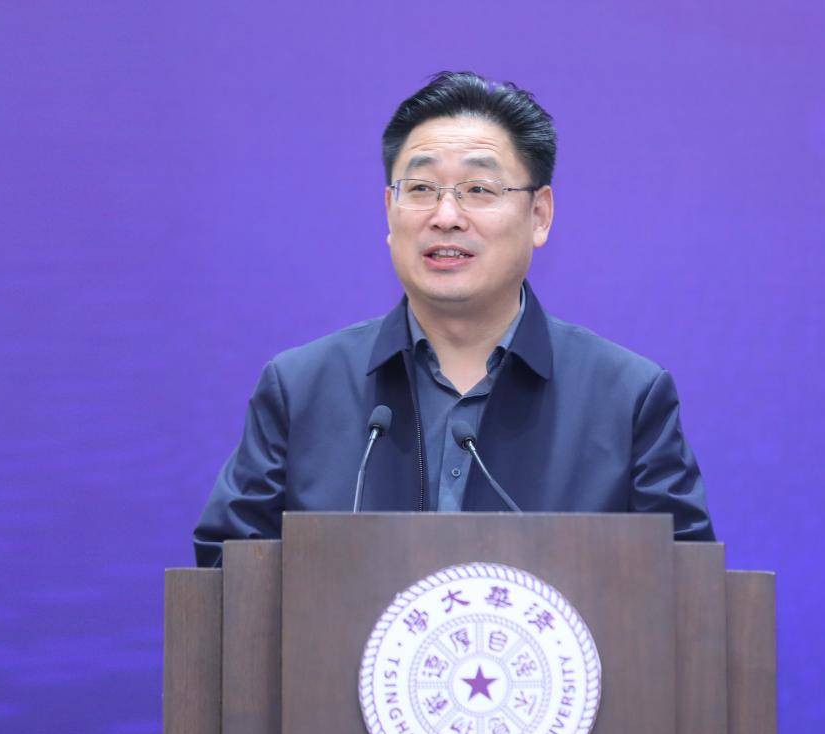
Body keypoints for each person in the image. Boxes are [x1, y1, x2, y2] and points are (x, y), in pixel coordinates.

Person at [193, 71, 714, 567]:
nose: (445, 216)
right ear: (389, 212)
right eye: (421, 189)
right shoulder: (301, 389)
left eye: (479, 190)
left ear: (539, 215)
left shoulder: (626, 399)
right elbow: (229, 575)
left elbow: (684, 591)